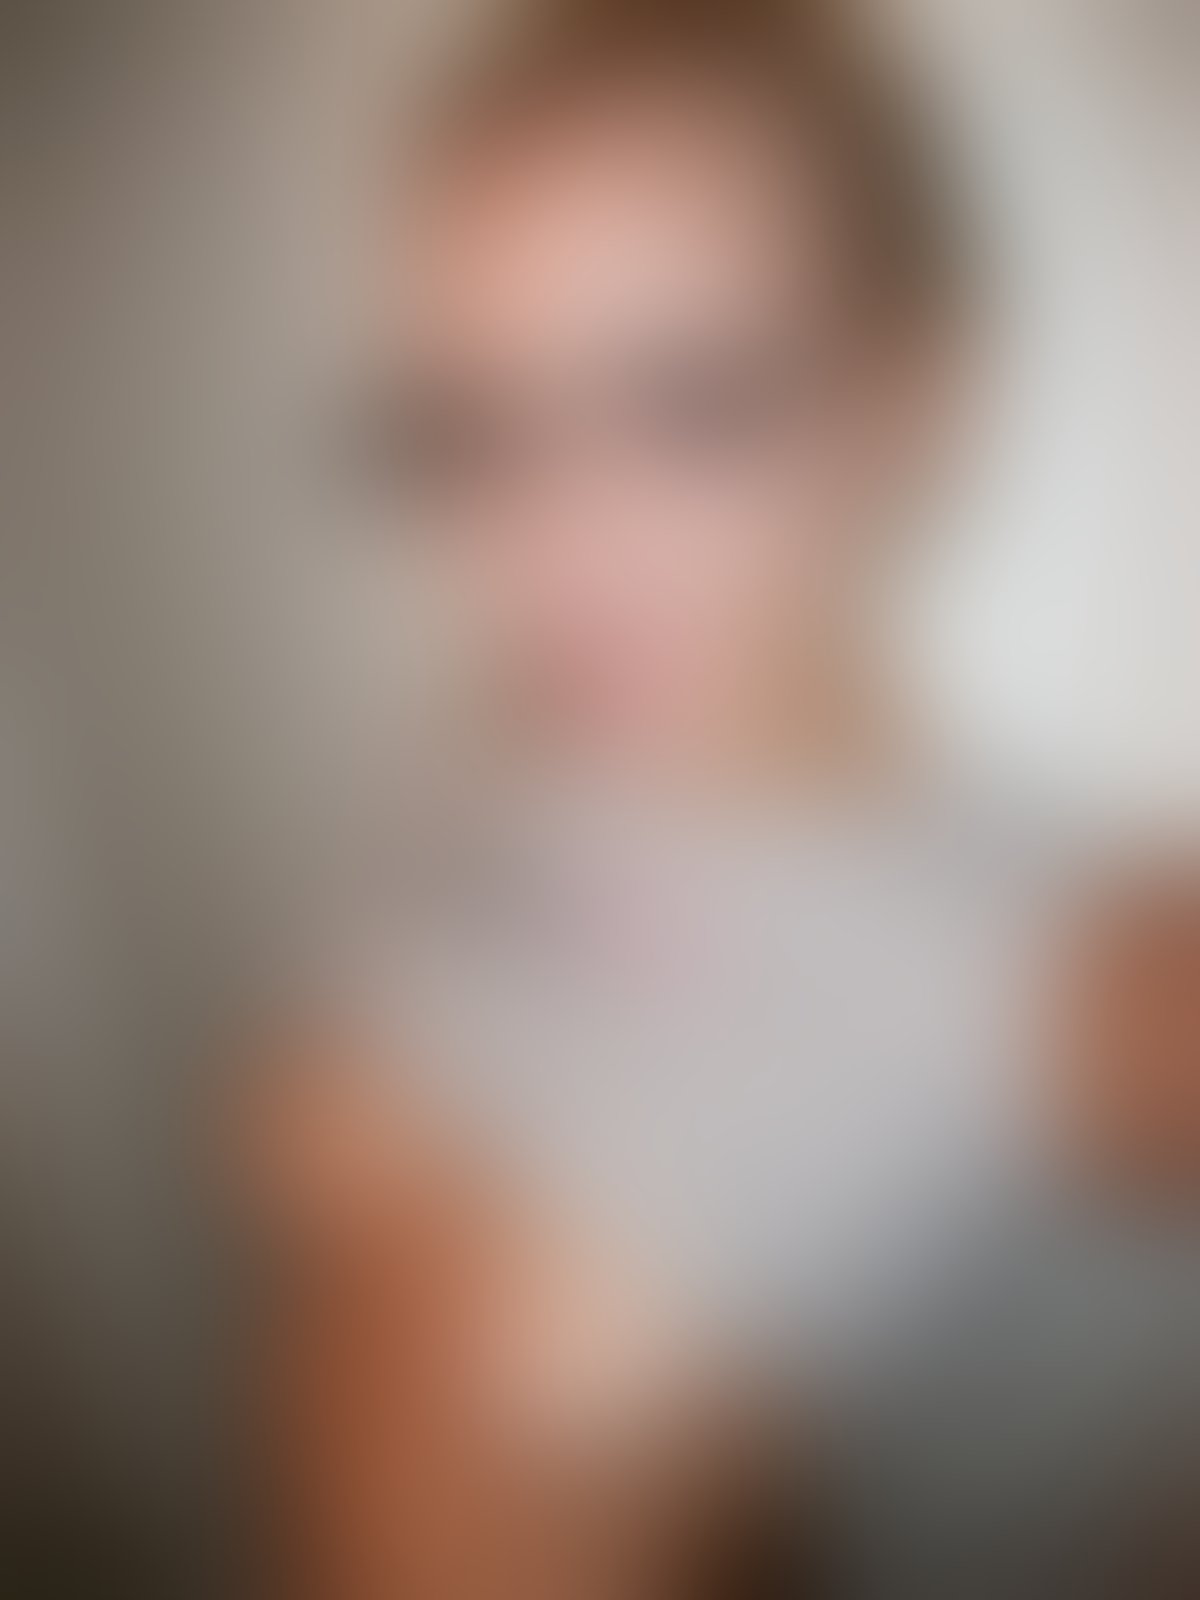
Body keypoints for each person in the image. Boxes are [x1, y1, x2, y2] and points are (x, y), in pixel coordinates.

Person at [236, 2, 1197, 1594]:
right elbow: (311, 1091)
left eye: (686, 402)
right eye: (475, 431)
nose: (550, 543)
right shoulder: (494, 754)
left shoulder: (1075, 975)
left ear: (913, 399)